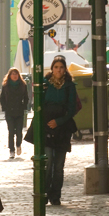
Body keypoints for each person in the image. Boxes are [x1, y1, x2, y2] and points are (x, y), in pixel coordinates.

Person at [25, 54, 77, 206]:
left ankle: (55, 195)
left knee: (59, 166)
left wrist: (59, 121)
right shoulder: (45, 84)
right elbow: (37, 105)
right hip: (46, 128)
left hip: (62, 129)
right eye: (56, 67)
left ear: (65, 69)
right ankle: (45, 192)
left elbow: (72, 108)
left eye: (61, 67)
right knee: (47, 163)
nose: (58, 70)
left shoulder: (69, 86)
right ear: (52, 69)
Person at [0, 68, 29, 159]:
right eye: (12, 74)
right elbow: (2, 98)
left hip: (19, 111)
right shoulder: (6, 85)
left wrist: (24, 106)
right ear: (9, 75)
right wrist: (4, 107)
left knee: (19, 131)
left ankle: (18, 145)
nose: (14, 75)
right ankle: (11, 150)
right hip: (9, 111)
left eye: (16, 74)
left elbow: (26, 97)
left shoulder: (23, 85)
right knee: (11, 131)